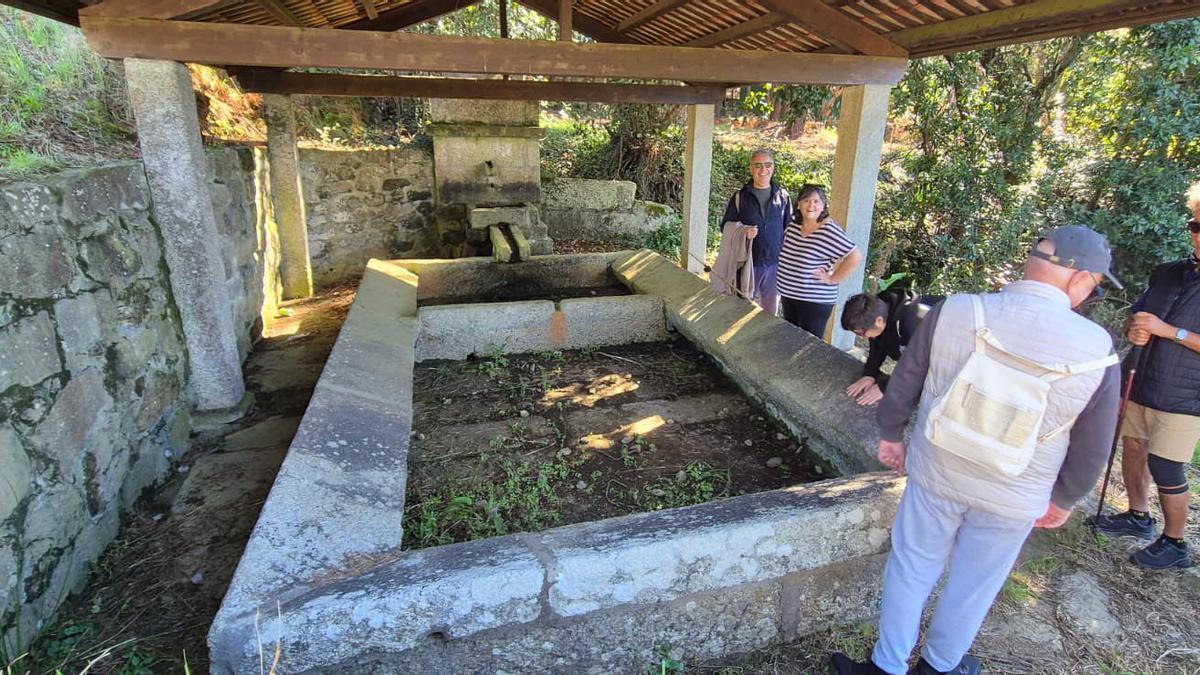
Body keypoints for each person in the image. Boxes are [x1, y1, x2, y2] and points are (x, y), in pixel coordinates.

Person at [832, 226, 1122, 675]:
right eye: (1096, 284)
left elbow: (907, 378)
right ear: (1081, 278)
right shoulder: (1098, 350)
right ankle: (940, 665)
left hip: (938, 469)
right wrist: (1065, 497)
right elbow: (1094, 442)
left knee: (912, 566)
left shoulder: (956, 310)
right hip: (1015, 492)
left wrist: (891, 434)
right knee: (975, 583)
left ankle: (887, 665)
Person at [1090, 180, 1200, 569]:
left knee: (1166, 464)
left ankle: (1176, 544)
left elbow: (1164, 327)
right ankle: (1138, 516)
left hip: (1185, 396)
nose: (1199, 235)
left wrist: (1168, 331)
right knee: (1134, 447)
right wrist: (1134, 328)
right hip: (1141, 379)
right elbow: (1138, 315)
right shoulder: (1168, 272)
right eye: (1196, 225)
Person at [776, 184, 864, 337]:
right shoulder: (793, 226)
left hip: (814, 300)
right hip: (789, 295)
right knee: (791, 340)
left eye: (816, 201)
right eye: (806, 201)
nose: (811, 205)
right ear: (799, 204)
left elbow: (855, 256)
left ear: (823, 206)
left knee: (809, 344)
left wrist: (832, 279)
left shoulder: (828, 230)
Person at [719, 149, 792, 315]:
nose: (763, 170)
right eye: (758, 165)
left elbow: (790, 229)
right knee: (741, 310)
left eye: (767, 165)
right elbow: (726, 227)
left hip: (776, 265)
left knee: (770, 314)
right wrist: (743, 232)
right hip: (747, 263)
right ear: (751, 169)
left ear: (773, 167)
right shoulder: (740, 197)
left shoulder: (782, 196)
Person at [841, 289, 944, 406]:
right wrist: (870, 374)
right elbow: (878, 344)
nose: (862, 337)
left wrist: (886, 387)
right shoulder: (880, 308)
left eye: (862, 333)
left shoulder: (913, 324)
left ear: (879, 321)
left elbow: (923, 368)